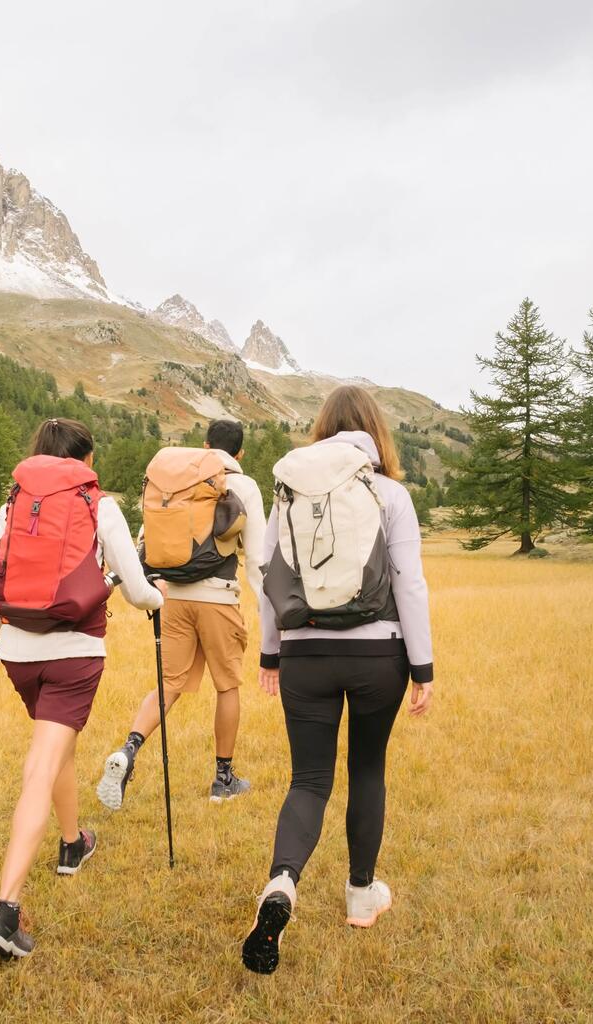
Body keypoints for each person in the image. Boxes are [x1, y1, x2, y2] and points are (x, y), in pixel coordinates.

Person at [241, 385, 434, 975]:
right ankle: (359, 895)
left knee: (308, 780)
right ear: (375, 432)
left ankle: (281, 883)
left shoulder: (287, 494)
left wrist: (271, 654)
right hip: (379, 655)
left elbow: (270, 576)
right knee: (367, 768)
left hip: (305, 653)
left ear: (321, 431)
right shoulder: (390, 493)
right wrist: (422, 667)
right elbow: (410, 584)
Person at [0, 417, 164, 960]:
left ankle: (73, 843)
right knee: (42, 763)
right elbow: (132, 585)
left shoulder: (12, 505)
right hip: (74, 653)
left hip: (17, 653)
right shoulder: (96, 503)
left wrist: (1, 632)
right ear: (85, 457)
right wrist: (158, 602)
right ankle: (5, 909)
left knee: (56, 748)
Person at [97, 419, 266, 810]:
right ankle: (223, 780)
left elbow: (146, 539)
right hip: (219, 598)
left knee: (168, 684)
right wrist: (269, 607)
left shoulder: (176, 482)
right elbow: (256, 557)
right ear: (239, 453)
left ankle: (129, 748)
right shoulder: (242, 484)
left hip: (171, 597)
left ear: (205, 445)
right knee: (227, 685)